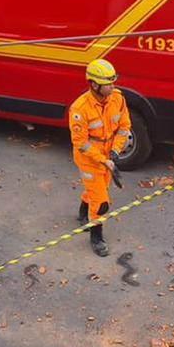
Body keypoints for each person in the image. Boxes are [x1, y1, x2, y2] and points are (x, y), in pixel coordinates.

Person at [69, 59, 131, 257]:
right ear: (94, 85)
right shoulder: (79, 108)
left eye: (113, 82)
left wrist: (114, 152)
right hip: (89, 160)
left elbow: (124, 127)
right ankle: (96, 237)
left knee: (98, 190)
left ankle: (82, 213)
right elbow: (81, 142)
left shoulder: (118, 99)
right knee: (101, 201)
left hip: (107, 156)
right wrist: (103, 159)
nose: (113, 86)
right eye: (108, 83)